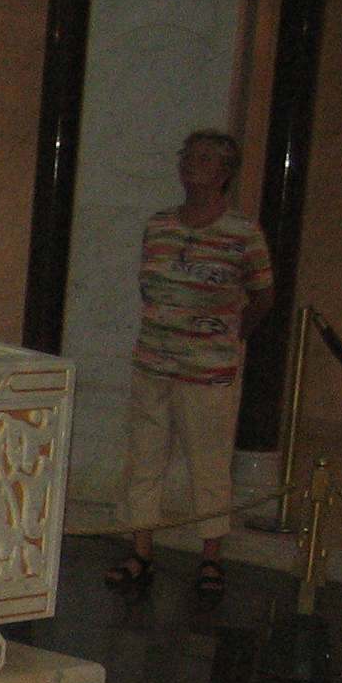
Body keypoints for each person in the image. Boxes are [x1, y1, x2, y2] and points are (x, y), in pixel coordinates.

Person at [105, 129, 274, 600]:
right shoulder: (159, 225)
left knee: (209, 463)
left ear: (224, 172)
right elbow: (150, 289)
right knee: (144, 459)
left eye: (203, 159)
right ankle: (141, 550)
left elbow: (263, 296)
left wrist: (228, 336)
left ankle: (211, 557)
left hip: (208, 371)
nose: (191, 165)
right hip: (153, 362)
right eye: (187, 157)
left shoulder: (243, 233)